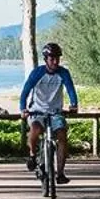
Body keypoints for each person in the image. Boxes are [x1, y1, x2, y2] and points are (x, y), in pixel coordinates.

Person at [20, 43, 79, 184]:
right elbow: (25, 91)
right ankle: (33, 155)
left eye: (57, 58)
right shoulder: (38, 73)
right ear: (46, 59)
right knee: (35, 130)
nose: (55, 61)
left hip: (55, 112)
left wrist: (74, 104)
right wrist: (23, 108)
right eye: (52, 58)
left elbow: (70, 89)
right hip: (37, 110)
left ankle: (60, 173)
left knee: (62, 136)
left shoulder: (63, 73)